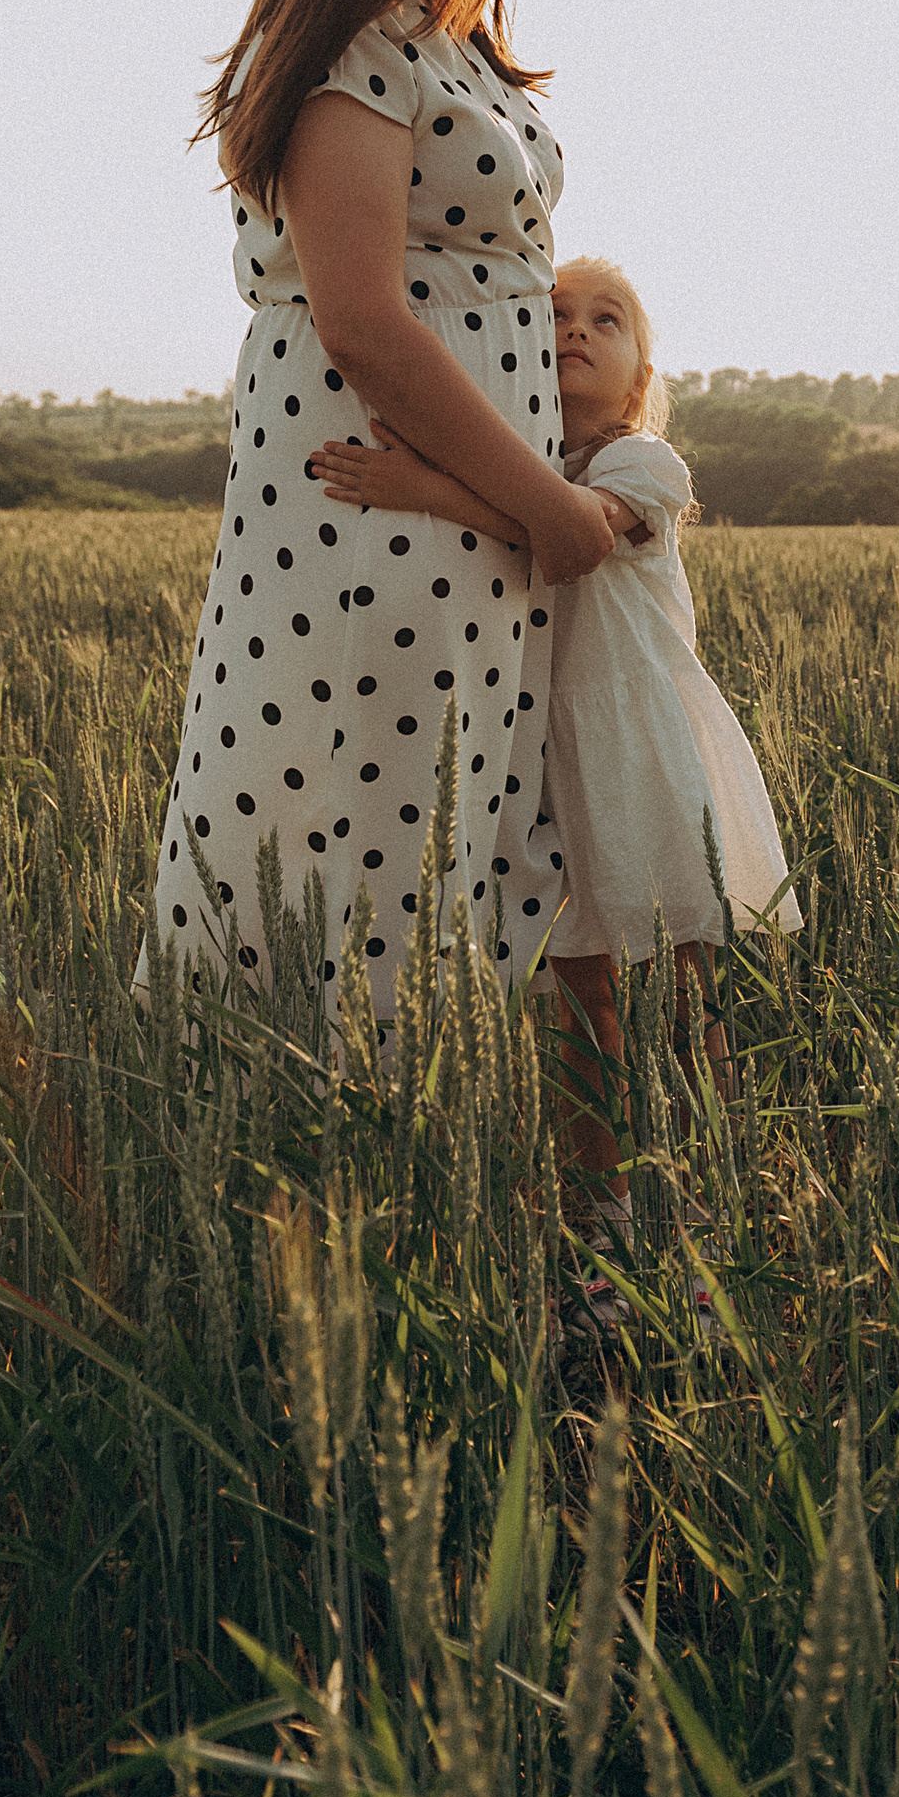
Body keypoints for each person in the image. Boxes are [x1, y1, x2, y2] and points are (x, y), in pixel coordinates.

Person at [136, 0, 617, 1010]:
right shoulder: (351, 54)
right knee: (356, 828)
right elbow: (362, 321)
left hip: (467, 514)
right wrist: (546, 502)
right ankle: (323, 1154)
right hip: (372, 521)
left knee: (454, 831)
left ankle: (437, 1150)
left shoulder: (443, 47)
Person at [311, 253, 800, 1222]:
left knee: (683, 1002)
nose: (576, 328)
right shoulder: (522, 461)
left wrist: (425, 488)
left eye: (606, 320)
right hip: (546, 757)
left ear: (640, 376)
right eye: (557, 312)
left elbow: (566, 530)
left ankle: (709, 1195)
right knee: (586, 1010)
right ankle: (603, 1208)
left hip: (644, 753)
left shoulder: (642, 466)